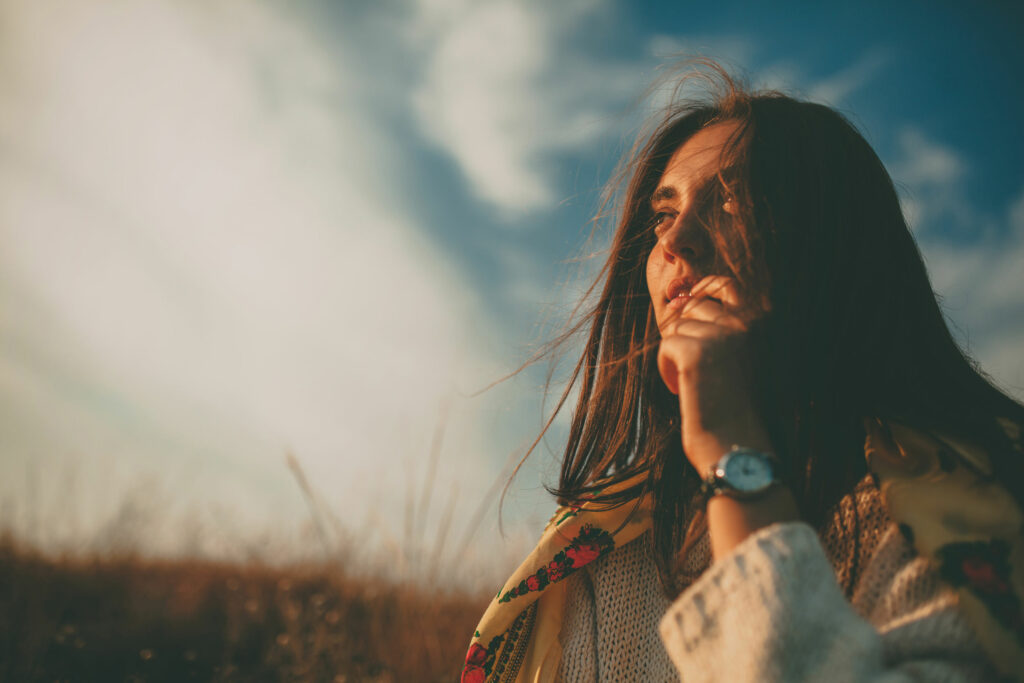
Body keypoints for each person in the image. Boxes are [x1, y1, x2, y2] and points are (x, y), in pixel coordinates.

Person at [462, 64, 1024, 682]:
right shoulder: (609, 553)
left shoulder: (980, 507)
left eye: (734, 200)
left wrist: (732, 452)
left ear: (837, 243)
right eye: (663, 214)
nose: (675, 239)